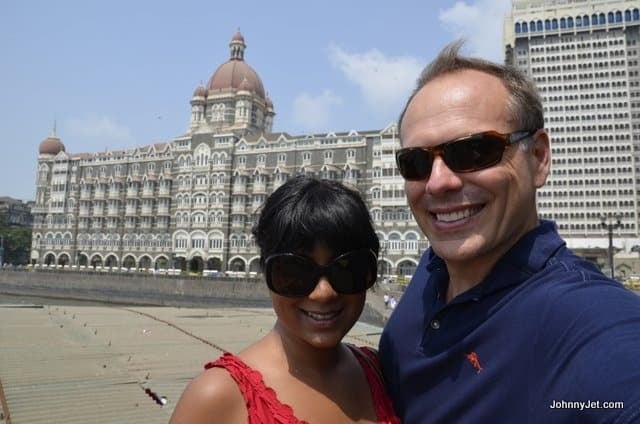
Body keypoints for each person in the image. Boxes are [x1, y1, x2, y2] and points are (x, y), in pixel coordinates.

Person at [378, 41, 640, 423]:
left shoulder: (589, 324)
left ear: (538, 157)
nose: (437, 183)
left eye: (472, 152)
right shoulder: (433, 268)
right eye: (415, 162)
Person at [171, 175, 399, 423]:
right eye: (295, 271)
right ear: (266, 273)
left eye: (346, 268)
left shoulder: (380, 371)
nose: (323, 293)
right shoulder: (217, 397)